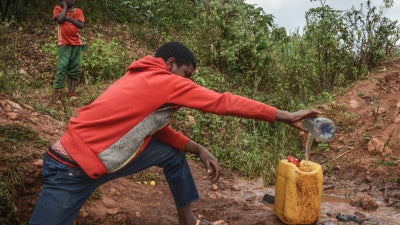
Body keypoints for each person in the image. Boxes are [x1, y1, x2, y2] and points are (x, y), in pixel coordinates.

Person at [29, 41, 321, 225]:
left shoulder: (145, 77)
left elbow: (156, 130)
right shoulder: (163, 81)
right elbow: (223, 102)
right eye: (187, 74)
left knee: (172, 155)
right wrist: (286, 116)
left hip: (100, 161)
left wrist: (198, 149)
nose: (188, 83)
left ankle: (188, 220)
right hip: (71, 168)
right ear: (170, 64)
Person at [52, 0, 85, 99]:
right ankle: (58, 91)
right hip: (63, 42)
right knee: (62, 66)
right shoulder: (58, 9)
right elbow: (60, 19)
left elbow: (81, 25)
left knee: (75, 66)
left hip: (77, 42)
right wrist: (65, 7)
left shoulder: (78, 11)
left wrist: (68, 18)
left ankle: (72, 92)